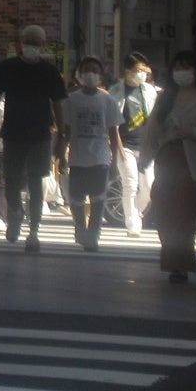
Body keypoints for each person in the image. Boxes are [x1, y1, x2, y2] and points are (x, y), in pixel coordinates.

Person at [143, 51, 196, 284]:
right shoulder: (165, 98)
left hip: (194, 163)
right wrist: (145, 157)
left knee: (186, 215)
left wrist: (193, 132)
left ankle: (179, 265)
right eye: (178, 67)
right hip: (168, 159)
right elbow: (151, 130)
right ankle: (172, 259)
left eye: (187, 67)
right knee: (165, 211)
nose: (182, 71)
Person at [0, 25, 68, 251]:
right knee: (11, 180)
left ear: (43, 45)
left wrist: (62, 136)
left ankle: (34, 231)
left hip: (41, 133)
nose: (32, 45)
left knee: (36, 182)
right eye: (29, 40)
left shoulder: (50, 72)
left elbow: (59, 104)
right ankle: (14, 213)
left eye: (37, 42)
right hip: (12, 131)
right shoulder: (7, 67)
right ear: (20, 43)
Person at [57, 56, 121, 253]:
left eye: (94, 70)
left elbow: (113, 132)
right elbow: (65, 130)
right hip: (77, 157)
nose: (90, 74)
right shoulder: (72, 100)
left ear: (100, 76)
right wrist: (61, 154)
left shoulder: (108, 100)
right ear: (79, 75)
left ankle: (93, 235)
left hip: (100, 158)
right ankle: (80, 228)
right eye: (86, 70)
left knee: (98, 199)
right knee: (76, 199)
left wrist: (115, 161)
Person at [109, 53, 157, 238]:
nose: (142, 74)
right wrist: (117, 148)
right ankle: (133, 224)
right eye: (138, 70)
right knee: (130, 184)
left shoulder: (149, 91)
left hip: (146, 147)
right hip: (125, 145)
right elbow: (113, 123)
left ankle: (136, 211)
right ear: (128, 71)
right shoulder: (116, 91)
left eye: (145, 70)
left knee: (149, 186)